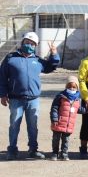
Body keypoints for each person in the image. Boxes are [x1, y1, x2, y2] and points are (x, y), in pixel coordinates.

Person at [0, 32, 60, 160]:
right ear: (22, 43)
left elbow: (51, 66)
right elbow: (2, 77)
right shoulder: (11, 58)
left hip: (33, 100)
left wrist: (54, 53)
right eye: (27, 42)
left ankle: (33, 150)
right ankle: (12, 150)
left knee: (33, 126)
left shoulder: (37, 60)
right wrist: (3, 95)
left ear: (36, 46)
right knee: (14, 125)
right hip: (16, 99)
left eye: (32, 44)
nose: (29, 45)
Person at [49, 76, 87, 161]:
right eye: (69, 86)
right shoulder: (60, 96)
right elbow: (54, 108)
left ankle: (64, 154)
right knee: (56, 139)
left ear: (77, 87)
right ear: (66, 86)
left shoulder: (78, 99)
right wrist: (54, 119)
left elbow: (80, 110)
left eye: (74, 87)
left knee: (66, 140)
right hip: (59, 122)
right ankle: (55, 153)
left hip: (69, 124)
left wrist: (87, 107)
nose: (71, 88)